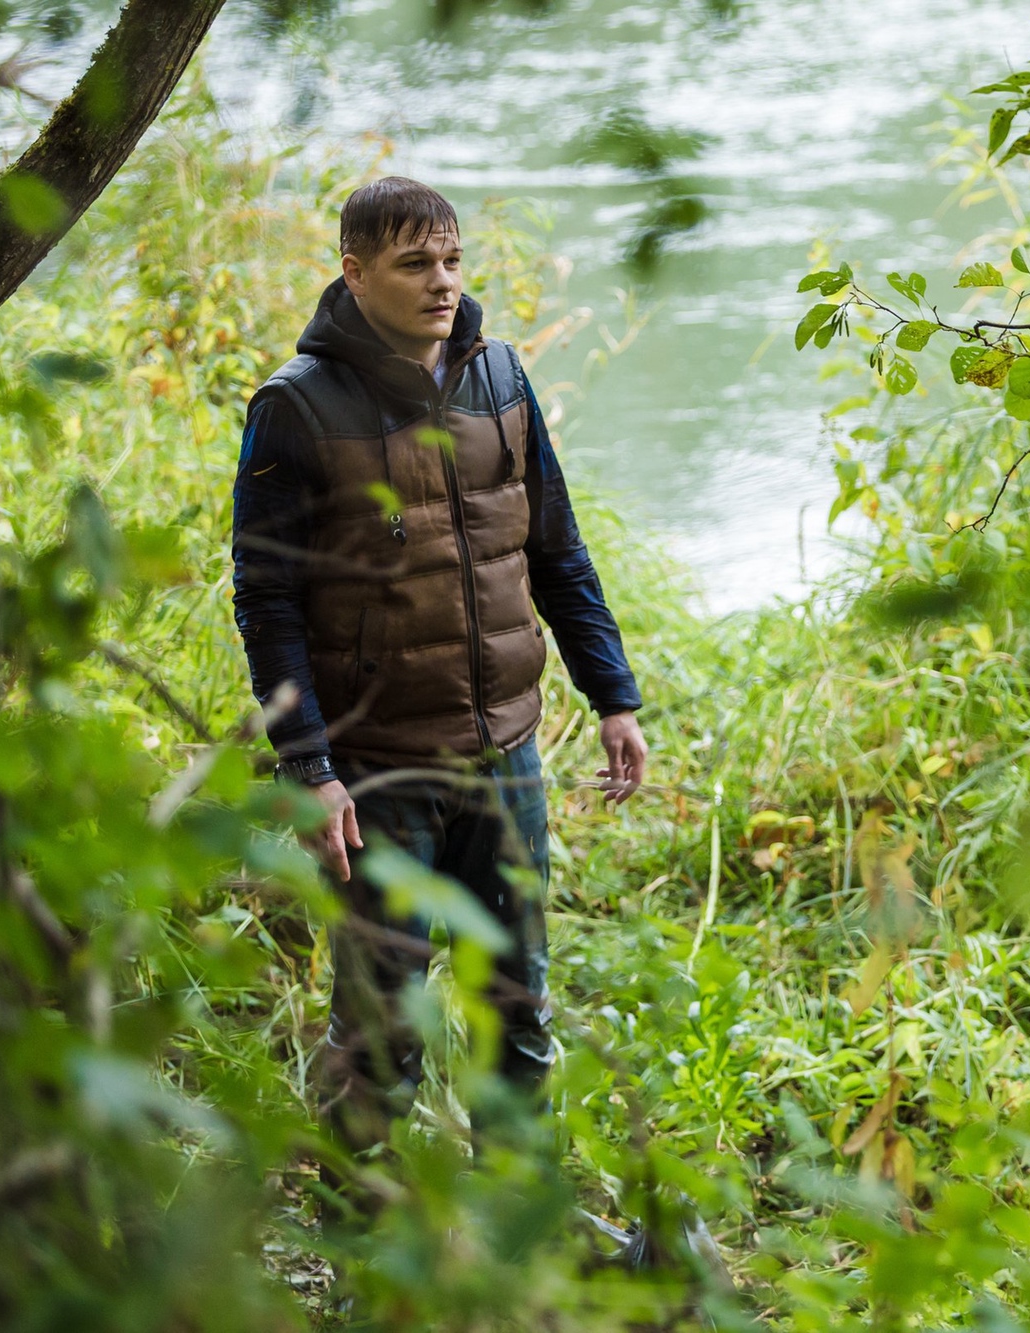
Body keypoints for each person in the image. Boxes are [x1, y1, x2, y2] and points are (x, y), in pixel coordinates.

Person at [231, 177, 648, 1162]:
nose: (442, 282)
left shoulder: (500, 377)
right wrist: (311, 767)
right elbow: (268, 603)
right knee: (379, 1031)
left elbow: (555, 548)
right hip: (379, 773)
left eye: (453, 260)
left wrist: (612, 694)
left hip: (504, 761)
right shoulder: (294, 408)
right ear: (354, 273)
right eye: (415, 263)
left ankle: (517, 1237)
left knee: (517, 1008)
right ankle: (359, 1241)